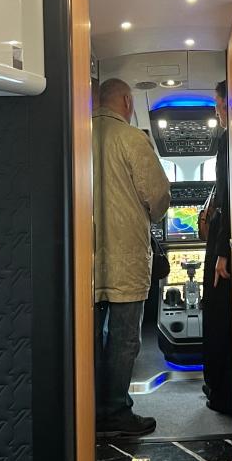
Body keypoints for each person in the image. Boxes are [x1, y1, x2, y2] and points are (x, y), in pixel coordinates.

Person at [94, 77, 171, 437]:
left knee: (90, 339)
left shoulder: (78, 132)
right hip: (125, 257)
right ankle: (115, 412)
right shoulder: (132, 139)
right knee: (125, 339)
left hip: (85, 262)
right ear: (127, 101)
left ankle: (88, 410)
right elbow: (158, 197)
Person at [198, 80, 232, 414]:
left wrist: (222, 250)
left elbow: (226, 196)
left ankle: (220, 391)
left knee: (219, 313)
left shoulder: (227, 139)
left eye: (219, 104)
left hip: (223, 239)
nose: (217, 111)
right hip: (226, 235)